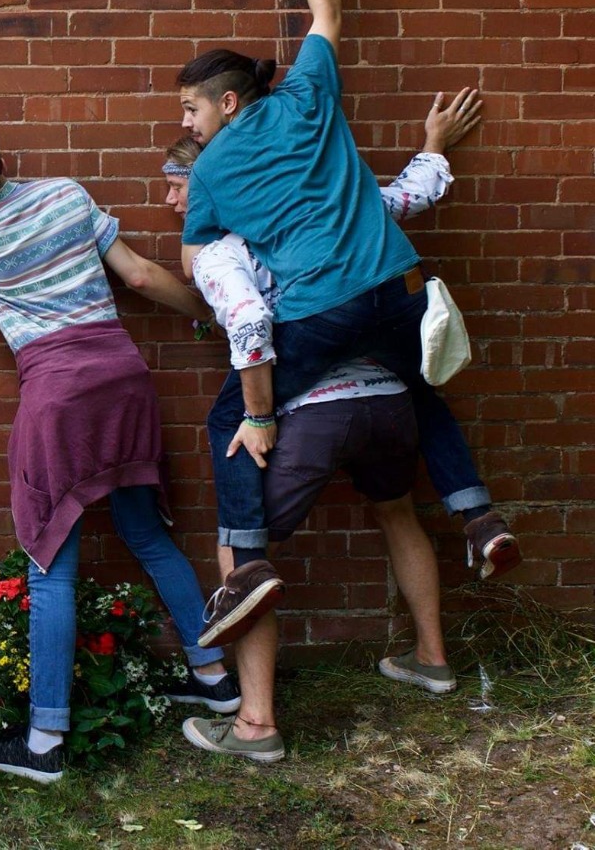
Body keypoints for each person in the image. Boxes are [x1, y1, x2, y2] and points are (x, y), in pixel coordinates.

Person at [0, 80, 238, 786]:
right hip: (123, 378)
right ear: (3, 157)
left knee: (49, 556)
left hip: (57, 395)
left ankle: (44, 739)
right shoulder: (65, 194)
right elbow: (143, 278)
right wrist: (208, 318)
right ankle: (213, 677)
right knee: (148, 536)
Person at [176, 0, 518, 649]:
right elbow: (327, 13)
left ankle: (248, 564)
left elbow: (197, 257)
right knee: (419, 390)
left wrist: (202, 243)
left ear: (226, 103)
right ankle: (477, 515)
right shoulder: (306, 98)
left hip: (320, 310)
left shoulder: (210, 174)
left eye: (190, 109)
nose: (187, 124)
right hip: (399, 288)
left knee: (229, 415)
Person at [161, 119, 470, 760]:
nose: (170, 202)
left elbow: (249, 323)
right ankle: (433, 656)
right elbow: (404, 197)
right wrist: (433, 149)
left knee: (242, 551)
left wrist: (260, 414)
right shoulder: (324, 212)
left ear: (212, 186)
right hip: (389, 399)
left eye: (177, 186)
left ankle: (255, 725)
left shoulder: (222, 250)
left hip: (311, 412)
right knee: (397, 510)